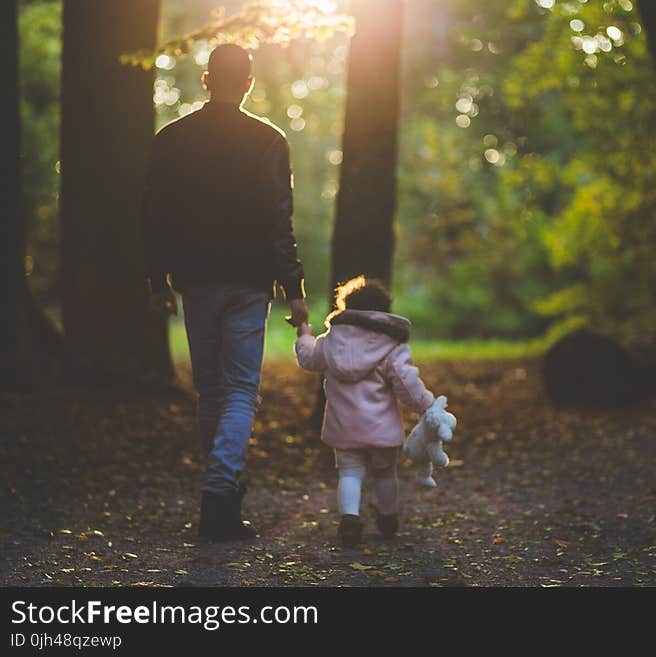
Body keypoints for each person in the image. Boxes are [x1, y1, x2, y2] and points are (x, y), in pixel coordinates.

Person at [141, 44, 309, 541]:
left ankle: (222, 499)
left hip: (195, 281)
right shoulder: (268, 140)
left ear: (207, 80)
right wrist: (295, 289)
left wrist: (157, 280)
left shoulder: (172, 138)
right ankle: (220, 497)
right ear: (250, 83)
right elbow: (281, 221)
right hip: (250, 281)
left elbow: (153, 215)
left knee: (211, 391)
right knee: (238, 391)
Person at [294, 276, 439, 546]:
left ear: (347, 307)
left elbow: (308, 358)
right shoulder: (391, 345)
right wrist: (426, 405)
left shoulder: (331, 341)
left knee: (349, 472)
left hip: (343, 425)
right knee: (385, 472)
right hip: (381, 428)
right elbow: (406, 383)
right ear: (384, 311)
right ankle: (388, 517)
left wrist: (304, 336)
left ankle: (350, 520)